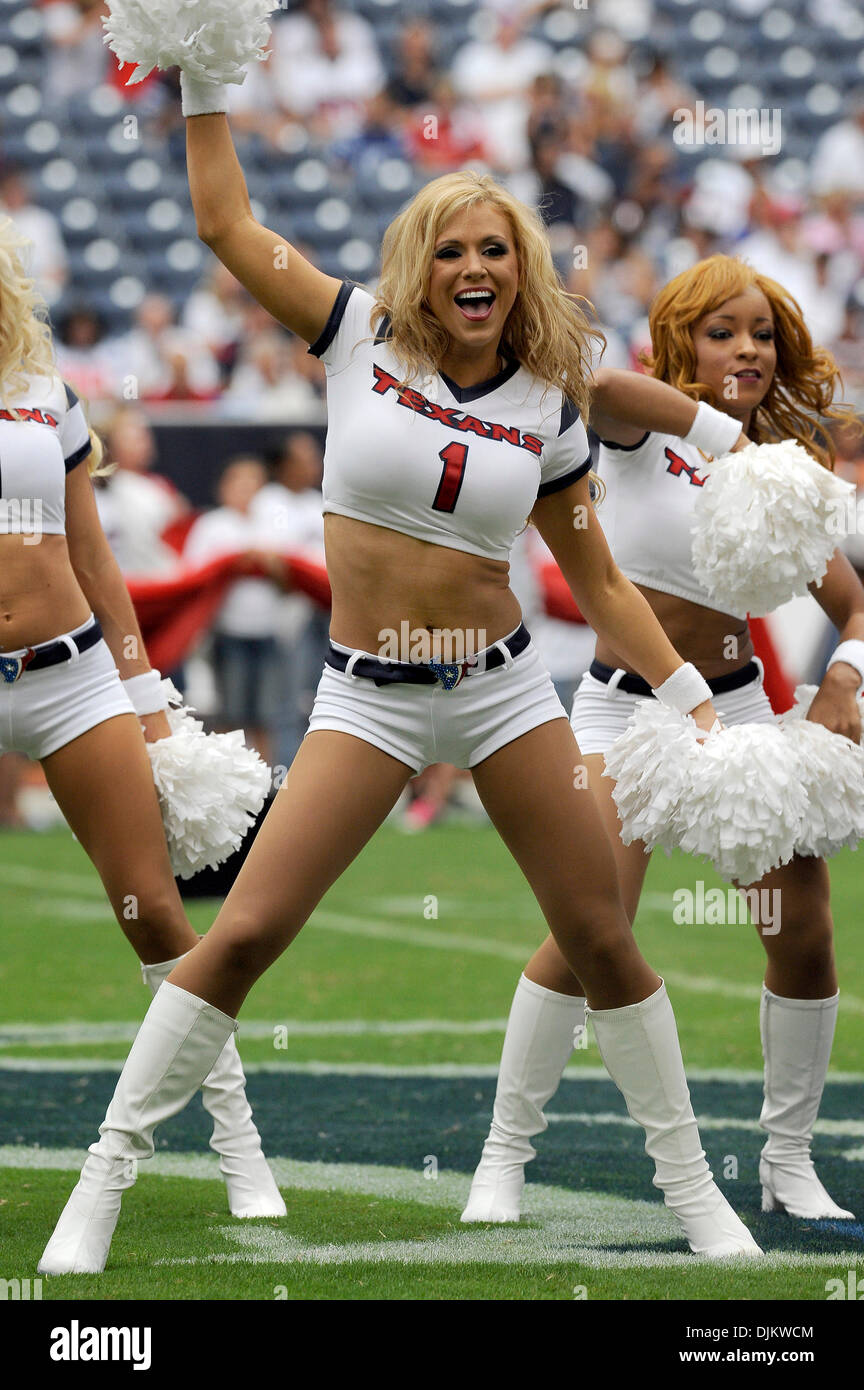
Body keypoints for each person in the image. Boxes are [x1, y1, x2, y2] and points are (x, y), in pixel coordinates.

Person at [39, 70, 765, 1273]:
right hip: (365, 694)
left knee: (601, 934)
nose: (472, 269)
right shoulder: (352, 333)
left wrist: (699, 710)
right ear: (417, 266)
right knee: (246, 932)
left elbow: (604, 591)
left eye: (495, 251)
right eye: (449, 252)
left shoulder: (550, 403)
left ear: (521, 270)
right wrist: (206, 71)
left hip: (503, 689)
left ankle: (698, 1196)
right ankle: (104, 1181)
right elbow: (225, 221)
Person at [463, 255, 864, 1226]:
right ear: (683, 339)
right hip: (623, 709)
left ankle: (789, 1162)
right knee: (588, 929)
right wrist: (719, 427)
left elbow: (851, 602)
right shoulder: (643, 431)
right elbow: (593, 383)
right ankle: (502, 1157)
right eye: (723, 331)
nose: (748, 350)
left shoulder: (783, 466)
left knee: (803, 934)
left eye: (764, 333)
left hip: (745, 714)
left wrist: (844, 680)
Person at [0, 215, 283, 1223]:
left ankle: (238, 1141)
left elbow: (95, 561)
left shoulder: (47, 400)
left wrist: (148, 694)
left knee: (156, 914)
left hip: (70, 674)